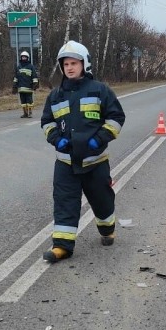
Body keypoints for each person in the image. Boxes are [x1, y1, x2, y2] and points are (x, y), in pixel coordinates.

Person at [40, 41, 125, 263]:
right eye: (65, 64)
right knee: (64, 201)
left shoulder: (100, 90)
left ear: (84, 64)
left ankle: (107, 229)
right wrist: (55, 140)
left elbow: (116, 118)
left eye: (74, 63)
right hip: (65, 162)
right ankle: (62, 246)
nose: (69, 68)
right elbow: (47, 122)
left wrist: (100, 139)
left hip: (95, 161)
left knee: (102, 200)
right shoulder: (55, 95)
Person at [14, 51, 39, 118]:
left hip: (29, 87)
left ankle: (30, 112)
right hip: (21, 88)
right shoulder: (18, 67)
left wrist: (35, 84)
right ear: (21, 58)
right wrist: (14, 86)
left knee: (29, 101)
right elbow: (16, 77)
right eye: (22, 57)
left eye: (25, 57)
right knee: (23, 102)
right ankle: (25, 113)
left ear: (27, 58)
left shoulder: (31, 66)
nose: (23, 58)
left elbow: (34, 76)